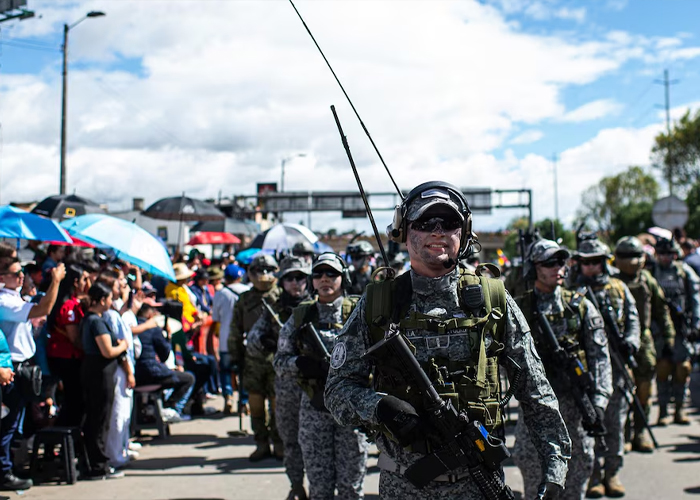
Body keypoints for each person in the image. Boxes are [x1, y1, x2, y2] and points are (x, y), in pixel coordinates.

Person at [325, 181, 570, 500]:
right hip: (403, 486)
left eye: (449, 222)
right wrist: (382, 407)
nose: (438, 232)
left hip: (479, 482)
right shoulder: (379, 304)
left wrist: (555, 467)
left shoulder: (493, 299)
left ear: (464, 232)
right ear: (404, 231)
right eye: (425, 223)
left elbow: (536, 390)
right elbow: (336, 389)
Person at [514, 239, 612, 500]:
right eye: (550, 263)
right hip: (535, 409)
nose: (559, 267)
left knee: (578, 471)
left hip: (574, 406)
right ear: (534, 267)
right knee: (533, 472)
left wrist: (600, 401)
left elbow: (600, 357)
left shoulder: (580, 306)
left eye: (561, 261)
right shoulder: (518, 308)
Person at [275, 253, 366, 500]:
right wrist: (301, 364)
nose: (325, 279)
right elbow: (280, 362)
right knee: (320, 487)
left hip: (352, 409)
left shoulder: (361, 311)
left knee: (351, 487)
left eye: (331, 273)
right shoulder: (301, 316)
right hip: (315, 407)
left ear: (343, 277)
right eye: (318, 274)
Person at [573, 238, 640, 498]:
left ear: (604, 262)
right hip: (587, 372)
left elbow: (633, 321)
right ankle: (594, 475)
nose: (589, 267)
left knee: (615, 423)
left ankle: (612, 472)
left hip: (618, 368)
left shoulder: (619, 288)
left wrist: (631, 344)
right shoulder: (573, 291)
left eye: (594, 262)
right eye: (585, 262)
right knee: (588, 425)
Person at [0, 259, 65, 490]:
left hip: (18, 367)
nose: (21, 276)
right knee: (7, 425)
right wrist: (55, 281)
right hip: (9, 369)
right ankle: (4, 472)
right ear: (1, 277)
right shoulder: (4, 301)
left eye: (23, 272)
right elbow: (44, 308)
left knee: (13, 423)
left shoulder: (14, 297)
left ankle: (7, 467)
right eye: (16, 272)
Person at [250, 256, 311, 500]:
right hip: (286, 384)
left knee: (317, 443)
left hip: (316, 385)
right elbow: (252, 340)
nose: (295, 283)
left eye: (300, 278)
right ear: (282, 281)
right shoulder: (274, 309)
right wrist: (264, 342)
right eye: (289, 278)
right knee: (290, 440)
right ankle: (296, 486)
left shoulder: (318, 305)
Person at [613, 236, 675, 453]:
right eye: (626, 256)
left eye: (635, 256)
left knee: (645, 387)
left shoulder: (647, 280)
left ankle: (640, 431)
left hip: (644, 340)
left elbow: (661, 310)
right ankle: (625, 433)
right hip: (618, 343)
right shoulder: (612, 282)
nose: (631, 261)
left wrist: (669, 338)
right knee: (621, 390)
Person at [228, 254, 283, 461]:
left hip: (277, 359)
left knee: (278, 405)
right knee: (256, 405)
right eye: (258, 271)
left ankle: (279, 443)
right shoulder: (245, 299)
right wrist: (235, 356)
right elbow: (235, 329)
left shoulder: (281, 297)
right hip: (252, 360)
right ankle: (261, 443)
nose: (263, 275)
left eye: (268, 270)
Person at [80, 282, 127, 480]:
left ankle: (94, 462)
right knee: (100, 419)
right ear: (101, 301)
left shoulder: (89, 320)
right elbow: (107, 350)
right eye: (108, 299)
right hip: (100, 372)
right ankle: (99, 465)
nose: (111, 302)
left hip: (94, 371)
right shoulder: (96, 322)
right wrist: (123, 346)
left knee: (96, 418)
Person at [651, 237, 700, 426]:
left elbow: (695, 300)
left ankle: (679, 409)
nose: (665, 257)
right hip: (659, 329)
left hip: (681, 328)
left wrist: (696, 325)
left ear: (675, 254)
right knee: (662, 369)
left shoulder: (684, 272)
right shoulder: (651, 272)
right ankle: (663, 411)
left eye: (669, 253)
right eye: (661, 253)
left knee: (683, 368)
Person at [97, 272, 137, 468]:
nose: (123, 283)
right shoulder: (110, 315)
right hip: (120, 369)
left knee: (124, 412)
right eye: (119, 281)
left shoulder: (115, 312)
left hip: (125, 367)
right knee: (118, 413)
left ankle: (122, 449)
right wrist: (128, 371)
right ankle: (115, 455)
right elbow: (120, 345)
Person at [46, 263, 89, 428]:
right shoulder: (68, 306)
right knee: (74, 402)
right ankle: (60, 438)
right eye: (84, 280)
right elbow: (74, 338)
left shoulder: (72, 302)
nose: (87, 283)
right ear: (76, 282)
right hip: (66, 358)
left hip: (68, 357)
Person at [135, 304, 195, 421]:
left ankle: (159, 408)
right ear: (151, 315)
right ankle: (169, 407)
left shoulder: (131, 325)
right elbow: (164, 355)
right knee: (189, 378)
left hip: (135, 374)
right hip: (152, 374)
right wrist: (168, 337)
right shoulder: (153, 329)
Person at [213, 264, 249, 414]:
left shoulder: (220, 294)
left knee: (226, 370)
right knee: (244, 371)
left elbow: (216, 318)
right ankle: (244, 401)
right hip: (245, 338)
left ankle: (228, 395)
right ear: (239, 277)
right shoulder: (248, 292)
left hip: (226, 338)